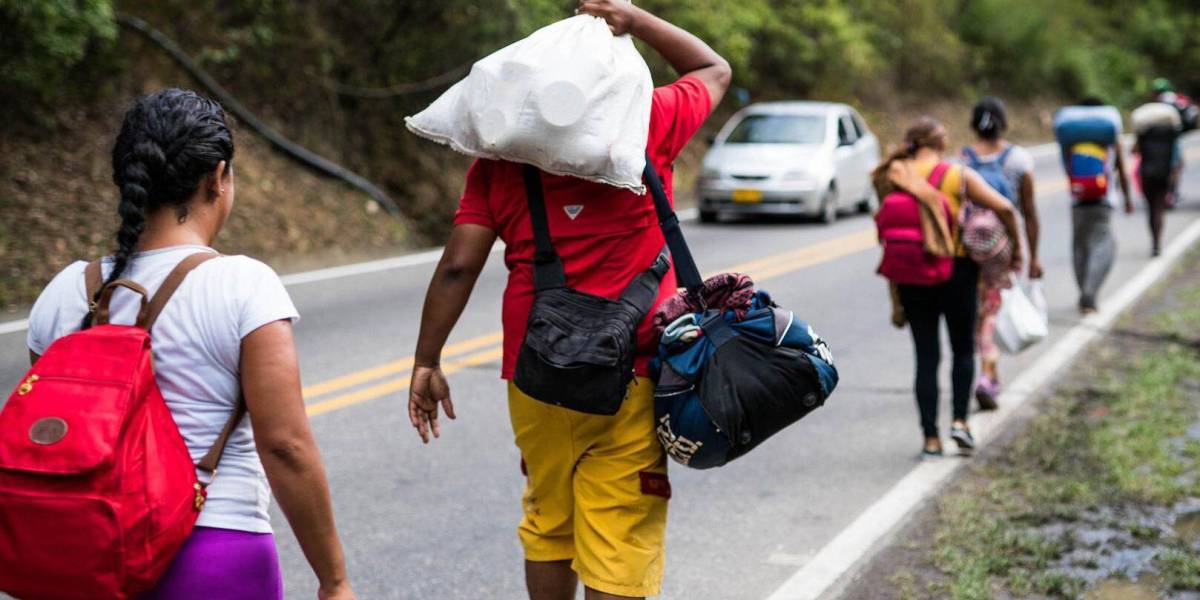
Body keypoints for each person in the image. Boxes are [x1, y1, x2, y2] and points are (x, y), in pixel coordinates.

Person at [405, 1, 730, 598]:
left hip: (536, 375)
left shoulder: (499, 161)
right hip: (632, 374)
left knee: (548, 521)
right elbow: (714, 70)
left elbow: (458, 267)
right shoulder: (648, 123)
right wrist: (634, 19)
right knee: (619, 533)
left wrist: (427, 360)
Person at [25, 89, 355, 600]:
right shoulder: (244, 284)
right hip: (209, 551)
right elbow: (284, 445)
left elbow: (50, 440)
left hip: (77, 558)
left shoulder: (66, 289)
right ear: (216, 177)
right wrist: (334, 580)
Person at [873, 117, 1023, 458]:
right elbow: (1006, 208)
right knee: (962, 350)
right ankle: (960, 423)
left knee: (926, 357)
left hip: (911, 274)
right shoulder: (958, 175)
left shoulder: (893, 174)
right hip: (956, 270)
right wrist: (1016, 252)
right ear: (941, 142)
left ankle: (930, 439)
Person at [960, 97, 1042, 410]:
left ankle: (973, 373)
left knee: (972, 309)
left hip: (966, 248)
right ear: (1004, 122)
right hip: (1000, 249)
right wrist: (1030, 255)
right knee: (991, 311)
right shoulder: (1019, 160)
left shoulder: (963, 159)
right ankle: (987, 374)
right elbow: (1029, 212)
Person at [1062, 97, 1133, 314]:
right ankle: (1090, 293)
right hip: (1104, 201)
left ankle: (1084, 289)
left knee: (1080, 247)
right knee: (1104, 246)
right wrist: (1128, 197)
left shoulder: (1071, 137)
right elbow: (1121, 166)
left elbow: (1067, 167)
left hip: (1077, 201)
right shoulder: (1108, 136)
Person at [1133, 103, 1183, 256]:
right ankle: (1157, 242)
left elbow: (1135, 151)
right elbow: (1177, 161)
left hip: (1147, 175)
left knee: (1150, 208)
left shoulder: (1143, 137)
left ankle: (1154, 240)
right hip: (1164, 174)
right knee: (1159, 208)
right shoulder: (1170, 137)